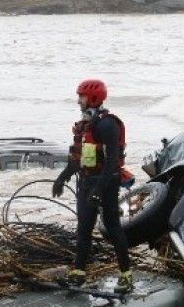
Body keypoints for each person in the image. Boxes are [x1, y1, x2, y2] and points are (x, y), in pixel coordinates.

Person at [51, 79, 133, 293]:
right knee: (84, 228)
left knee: (113, 227)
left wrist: (99, 191)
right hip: (87, 182)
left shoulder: (107, 124)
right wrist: (63, 177)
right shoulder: (86, 124)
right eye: (79, 96)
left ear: (93, 98)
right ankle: (79, 273)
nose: (79, 101)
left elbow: (113, 162)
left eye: (82, 97)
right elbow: (80, 158)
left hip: (107, 181)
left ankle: (126, 275)